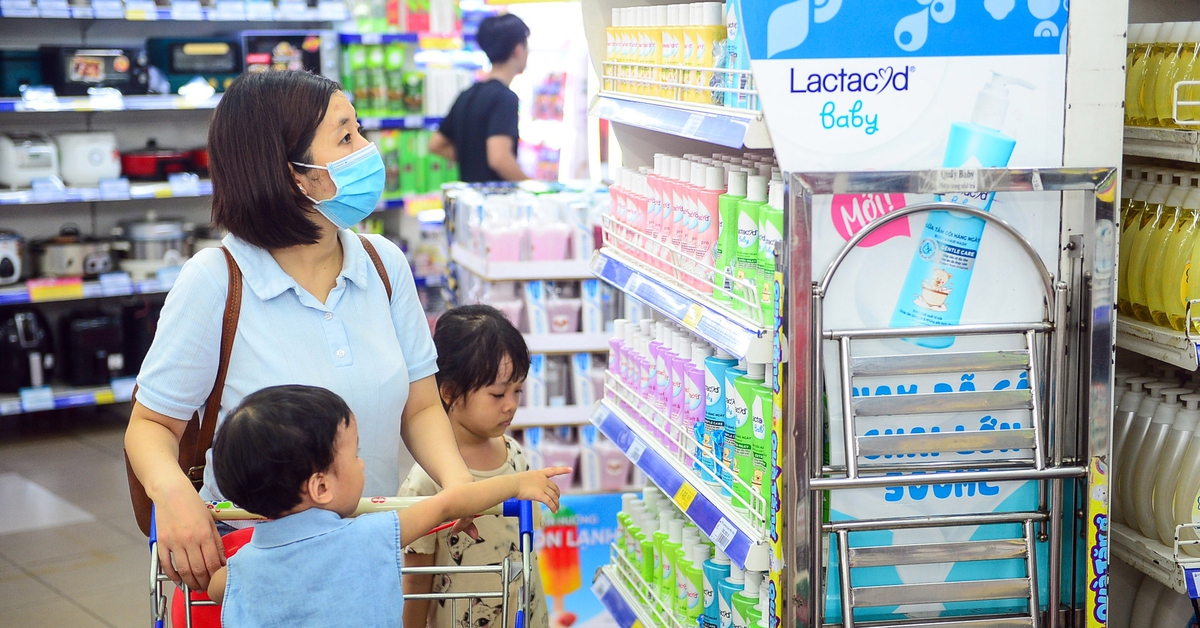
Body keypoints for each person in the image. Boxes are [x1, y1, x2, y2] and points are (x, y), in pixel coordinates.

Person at [125, 69, 476, 593]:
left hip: (367, 555)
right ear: (294, 175)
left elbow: (421, 406)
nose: (368, 150)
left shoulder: (384, 265)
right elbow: (151, 424)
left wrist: (458, 483)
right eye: (346, 137)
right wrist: (174, 495)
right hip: (252, 568)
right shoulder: (217, 281)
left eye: (359, 130)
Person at [204, 385, 570, 626]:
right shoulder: (367, 537)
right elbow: (447, 504)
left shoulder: (238, 573)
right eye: (355, 454)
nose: (362, 464)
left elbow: (214, 586)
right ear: (321, 486)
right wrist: (518, 483)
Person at [400, 304, 549, 628]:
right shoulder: (426, 481)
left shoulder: (514, 456)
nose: (511, 405)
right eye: (497, 394)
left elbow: (526, 552)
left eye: (517, 390)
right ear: (450, 392)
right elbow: (416, 581)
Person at [429, 14, 531, 183]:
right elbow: (499, 159)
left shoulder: (467, 95)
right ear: (518, 50)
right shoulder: (505, 98)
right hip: (496, 197)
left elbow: (435, 144)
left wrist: (473, 161)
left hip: (468, 195)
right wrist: (532, 187)